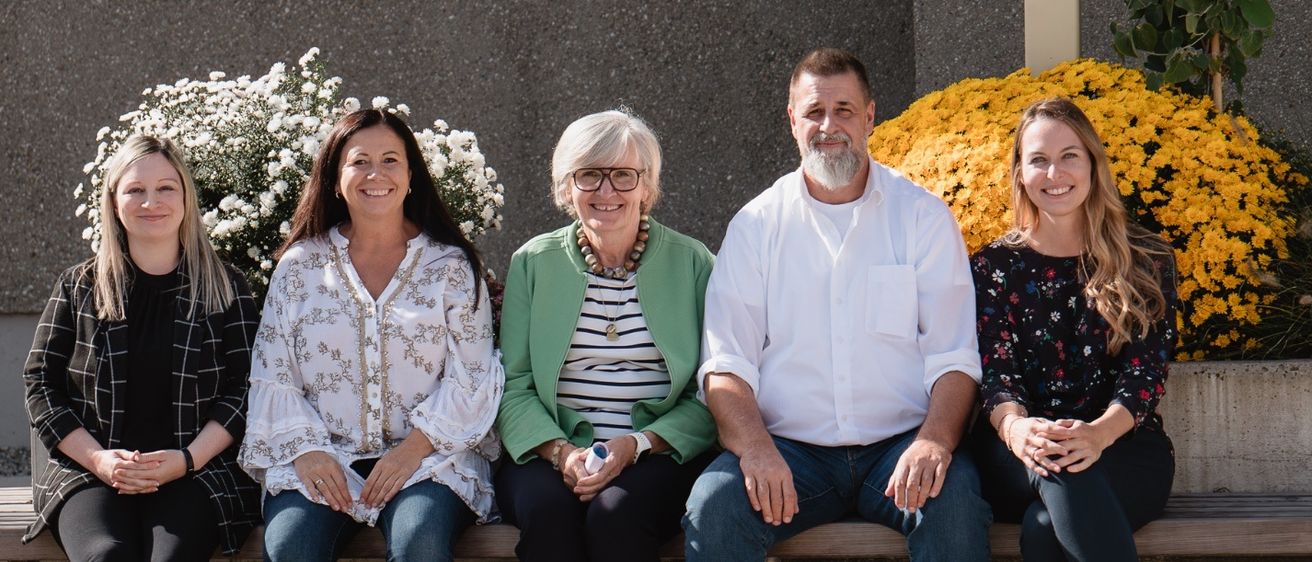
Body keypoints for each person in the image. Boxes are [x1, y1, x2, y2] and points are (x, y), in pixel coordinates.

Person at [683, 47, 991, 561]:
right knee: (715, 506)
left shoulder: (922, 217)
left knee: (954, 506)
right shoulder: (756, 227)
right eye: (814, 112)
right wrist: (756, 448)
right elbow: (726, 364)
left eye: (844, 110)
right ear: (792, 121)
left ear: (870, 115)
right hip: (789, 453)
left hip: (901, 446)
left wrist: (936, 440)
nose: (829, 125)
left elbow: (954, 355)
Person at [238, 109, 503, 562]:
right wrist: (306, 452)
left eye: (390, 160)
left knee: (419, 541)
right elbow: (273, 374)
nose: (375, 174)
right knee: (290, 548)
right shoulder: (300, 266)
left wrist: (411, 452)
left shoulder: (451, 267)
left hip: (428, 460)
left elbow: (473, 375)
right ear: (335, 179)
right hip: (324, 456)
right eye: (359, 161)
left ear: (411, 174)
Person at [23, 135, 261, 560]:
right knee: (104, 554)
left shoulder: (225, 286)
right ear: (114, 202)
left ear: (186, 198)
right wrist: (99, 461)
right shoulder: (80, 286)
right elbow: (40, 384)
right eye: (135, 190)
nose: (151, 201)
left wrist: (186, 459)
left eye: (166, 188)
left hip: (197, 472)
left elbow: (246, 387)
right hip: (91, 472)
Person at [495, 109, 718, 562]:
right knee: (548, 514)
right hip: (549, 450)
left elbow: (709, 388)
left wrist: (634, 446)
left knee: (617, 514)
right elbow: (514, 385)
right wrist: (561, 454)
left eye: (623, 175)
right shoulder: (532, 263)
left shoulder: (693, 262)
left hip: (658, 452)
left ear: (648, 186)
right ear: (566, 187)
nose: (606, 191)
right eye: (589, 175)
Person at [969, 97, 1177, 561]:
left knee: (1045, 528)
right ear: (1020, 173)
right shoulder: (992, 267)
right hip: (1017, 454)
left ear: (1092, 165)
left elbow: (1145, 374)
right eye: (1038, 160)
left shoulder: (1145, 259)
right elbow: (995, 372)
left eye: (1069, 157)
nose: (1054, 173)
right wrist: (1019, 429)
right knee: (1059, 465)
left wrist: (1096, 435)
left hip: (1123, 446)